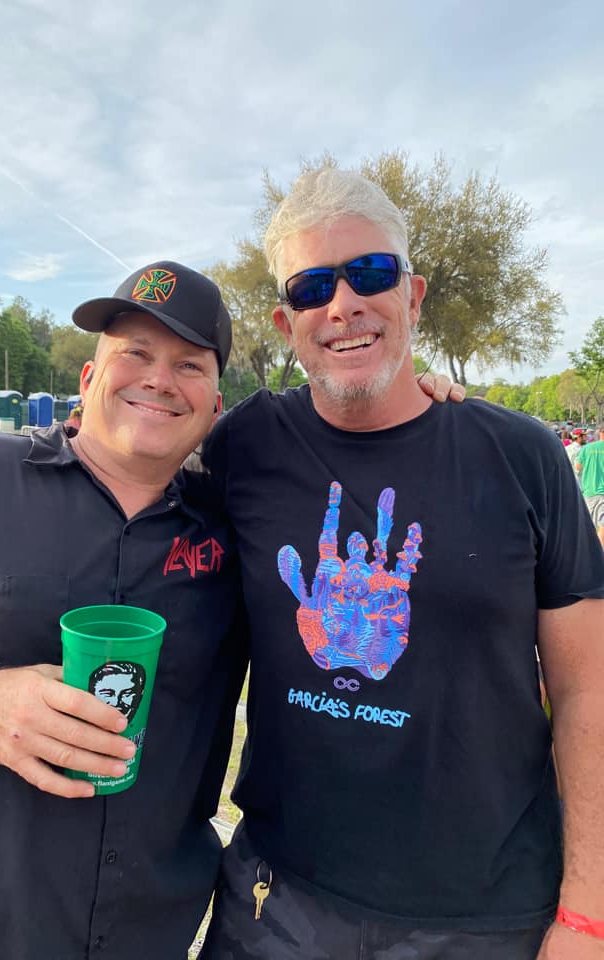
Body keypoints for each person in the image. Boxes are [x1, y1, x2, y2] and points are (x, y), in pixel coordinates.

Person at [200, 169, 604, 960]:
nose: (343, 303)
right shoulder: (244, 447)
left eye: (371, 272)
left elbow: (587, 690)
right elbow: (128, 476)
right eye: (313, 286)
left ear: (412, 296)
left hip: (483, 920)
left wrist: (588, 911)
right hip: (277, 903)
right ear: (286, 322)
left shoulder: (522, 457)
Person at [0, 261, 248, 960]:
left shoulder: (238, 532)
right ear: (88, 378)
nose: (159, 379)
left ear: (215, 406)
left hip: (147, 935)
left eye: (189, 365)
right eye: (135, 352)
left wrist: (432, 401)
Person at [576, 424, 604, 547]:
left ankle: (590, 552)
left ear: (599, 433)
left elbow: (578, 467)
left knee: (589, 525)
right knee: (602, 526)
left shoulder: (587, 448)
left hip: (589, 491)